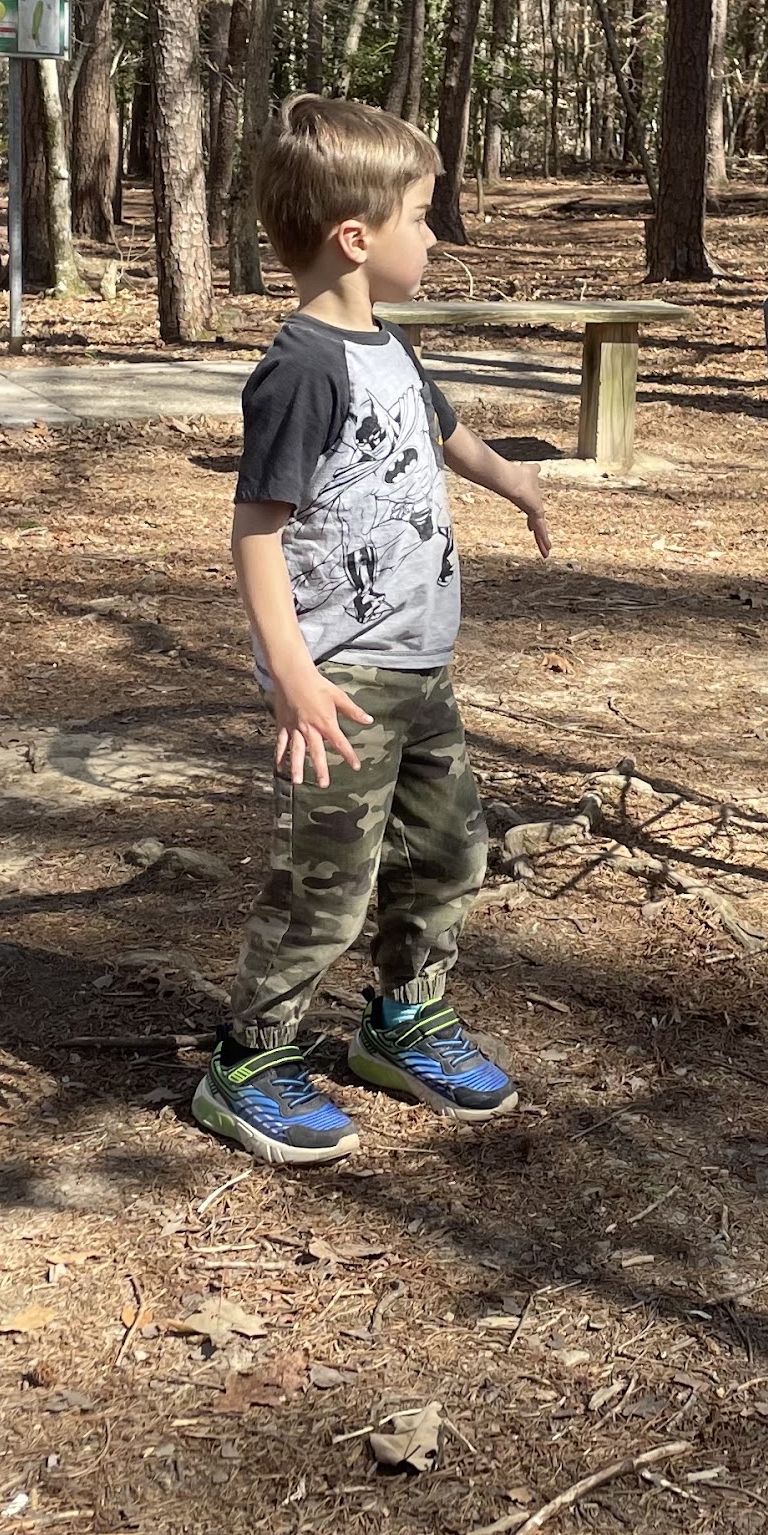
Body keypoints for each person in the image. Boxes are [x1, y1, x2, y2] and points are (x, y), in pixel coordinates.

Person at [192, 95, 551, 1165]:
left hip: (419, 662)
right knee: (326, 877)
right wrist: (292, 672)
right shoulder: (304, 365)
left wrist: (513, 479)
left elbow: (445, 433)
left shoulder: (385, 345)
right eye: (423, 217)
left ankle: (403, 1020)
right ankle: (250, 1057)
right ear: (357, 237)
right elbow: (257, 530)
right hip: (340, 676)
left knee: (444, 850)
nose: (435, 237)